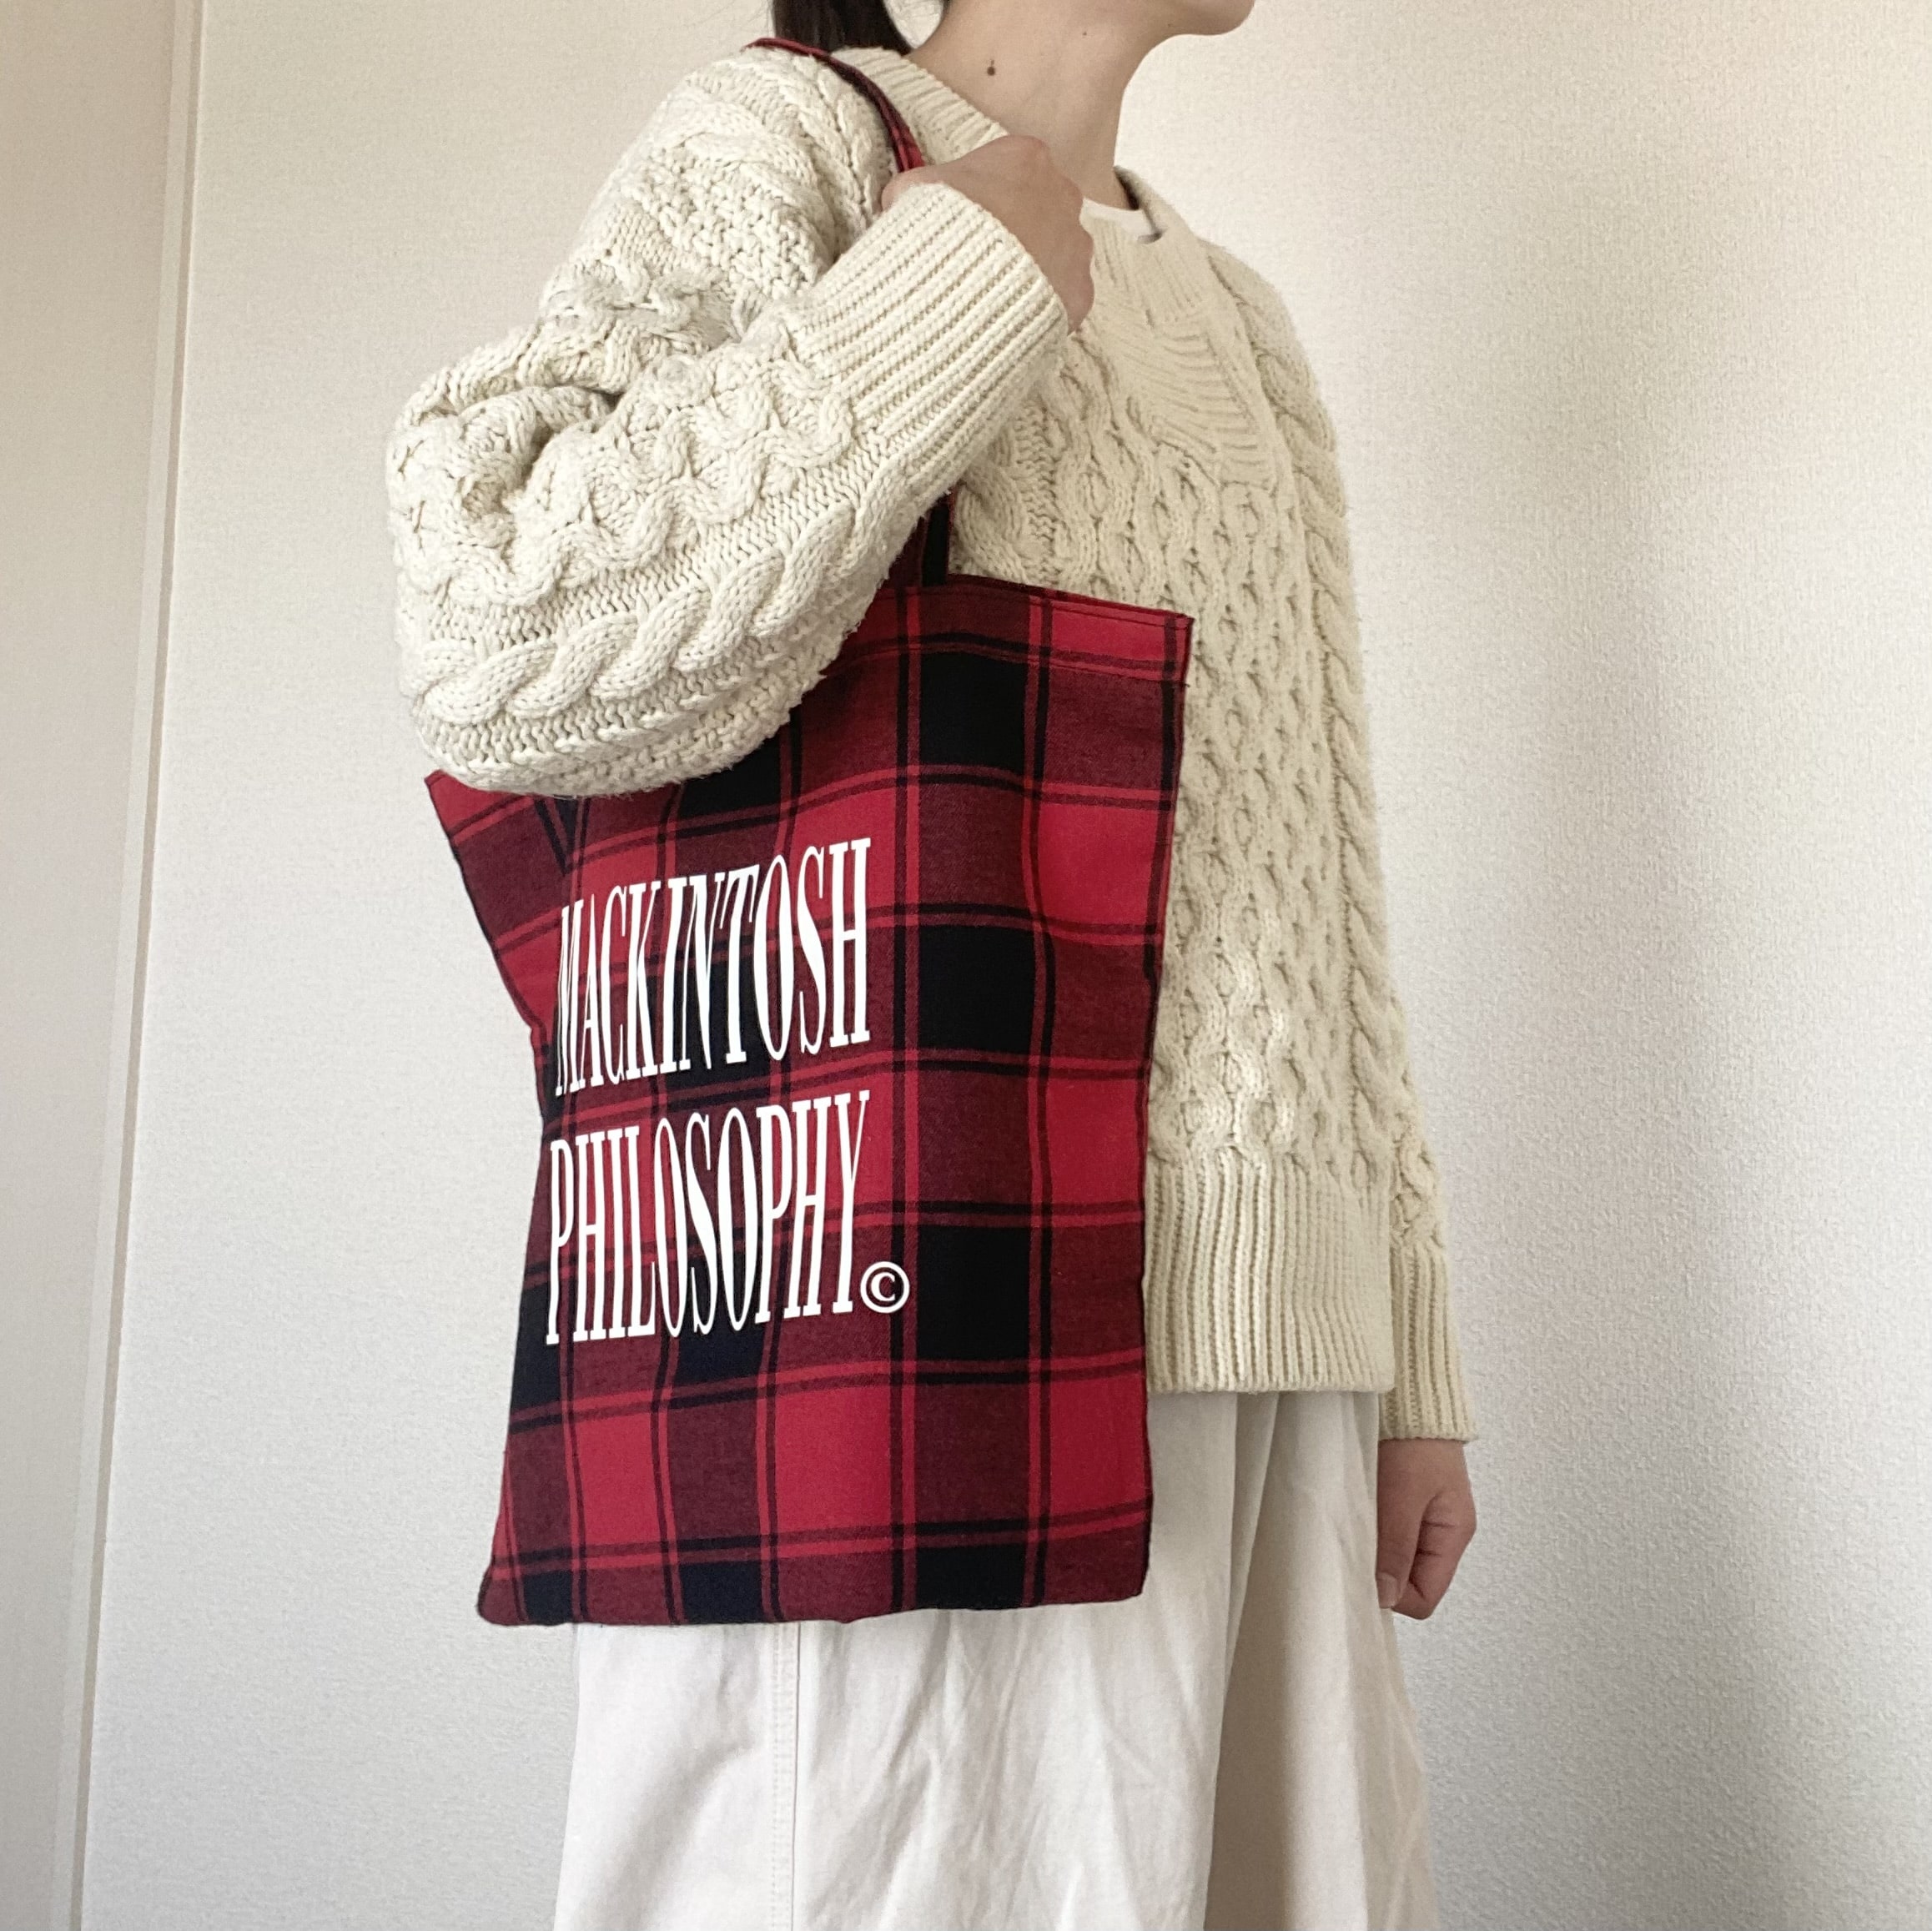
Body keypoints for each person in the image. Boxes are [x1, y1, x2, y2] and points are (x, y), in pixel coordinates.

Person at [385, 0, 1480, 1923]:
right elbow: (499, 625)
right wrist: (952, 282)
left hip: (1263, 1363)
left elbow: (1322, 864)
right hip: (925, 1328)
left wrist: (1403, 1353)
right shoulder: (783, 146)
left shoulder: (1242, 321)